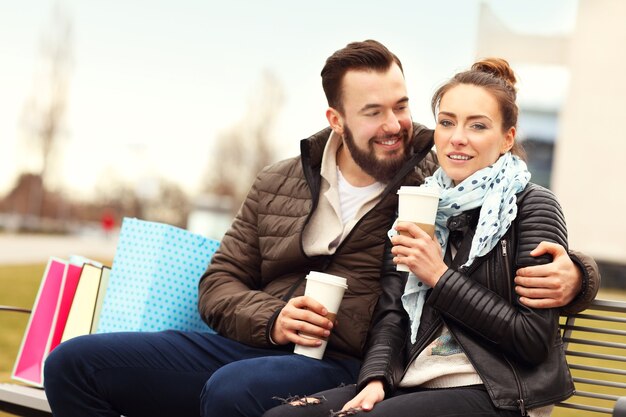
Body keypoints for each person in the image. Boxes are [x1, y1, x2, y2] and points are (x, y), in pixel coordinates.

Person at [43, 41, 597, 417]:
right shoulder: (279, 180)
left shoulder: (435, 170)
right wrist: (273, 319)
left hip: (348, 358)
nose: (395, 126)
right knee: (74, 365)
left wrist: (579, 275)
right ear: (336, 119)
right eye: (373, 112)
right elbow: (219, 283)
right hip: (259, 342)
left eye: (402, 107)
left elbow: (518, 217)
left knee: (233, 395)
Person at [263, 58, 577, 417]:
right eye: (447, 122)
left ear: (507, 138)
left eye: (477, 126)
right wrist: (376, 378)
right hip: (412, 381)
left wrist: (439, 277)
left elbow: (532, 340)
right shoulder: (420, 204)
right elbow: (393, 312)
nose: (457, 137)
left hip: (497, 392)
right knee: (287, 415)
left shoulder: (534, 205)